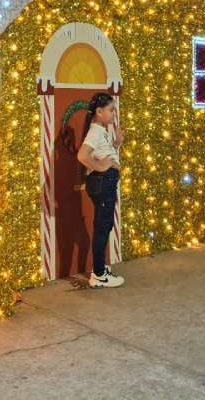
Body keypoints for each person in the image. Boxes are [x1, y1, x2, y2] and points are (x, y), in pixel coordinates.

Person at [77, 93, 125, 288]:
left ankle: (100, 269)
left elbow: (102, 153)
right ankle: (98, 274)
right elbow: (82, 155)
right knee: (102, 227)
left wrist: (116, 145)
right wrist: (101, 167)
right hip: (103, 181)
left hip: (105, 181)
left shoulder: (100, 131)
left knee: (104, 226)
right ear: (99, 111)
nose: (114, 114)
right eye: (111, 110)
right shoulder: (96, 131)